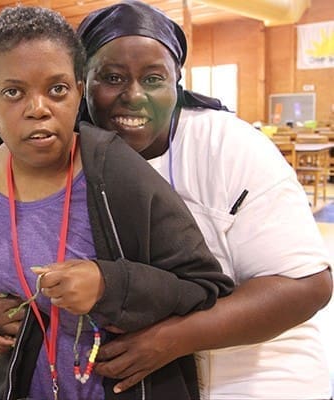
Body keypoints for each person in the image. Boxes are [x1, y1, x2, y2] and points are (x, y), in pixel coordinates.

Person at [0, 5, 234, 400]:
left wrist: (109, 285)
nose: (39, 108)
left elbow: (204, 286)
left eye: (57, 90)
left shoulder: (116, 172)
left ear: (77, 91)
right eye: (14, 92)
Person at [75, 1, 333, 399]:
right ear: (82, 83)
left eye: (154, 78)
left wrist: (176, 337)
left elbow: (307, 285)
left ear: (177, 84)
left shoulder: (229, 145)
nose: (134, 95)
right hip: (139, 374)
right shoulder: (70, 152)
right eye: (112, 77)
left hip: (256, 361)